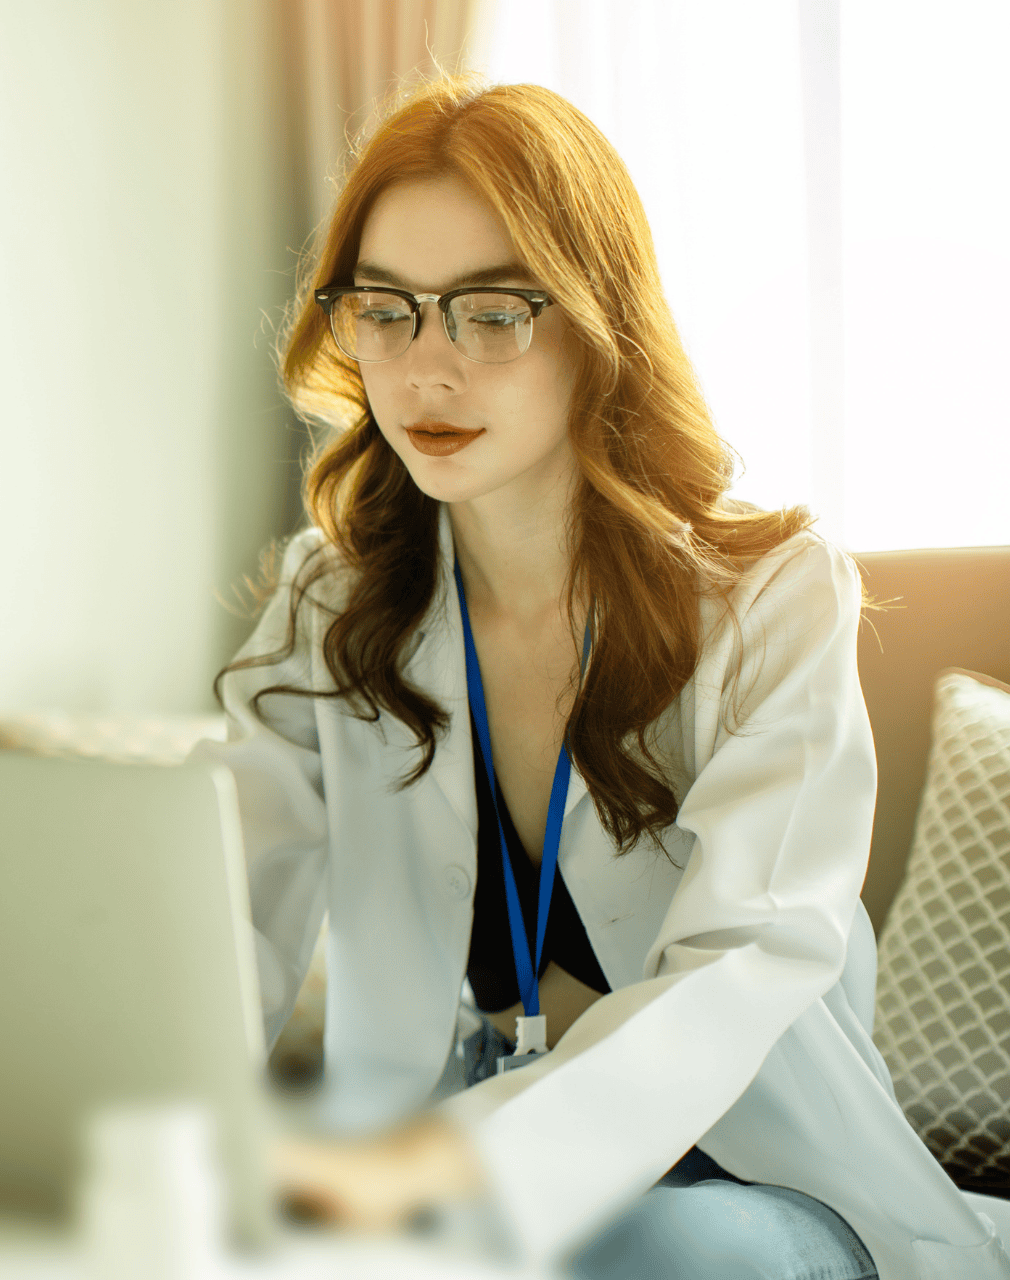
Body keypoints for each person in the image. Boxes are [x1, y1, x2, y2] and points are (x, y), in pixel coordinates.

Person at [194, 76, 1010, 1279]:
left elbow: (742, 968)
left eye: (491, 310)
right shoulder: (335, 597)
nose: (428, 367)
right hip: (432, 1146)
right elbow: (220, 926)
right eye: (387, 308)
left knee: (638, 1257)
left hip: (738, 1163)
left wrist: (437, 1179)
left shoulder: (773, 595)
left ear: (594, 317)